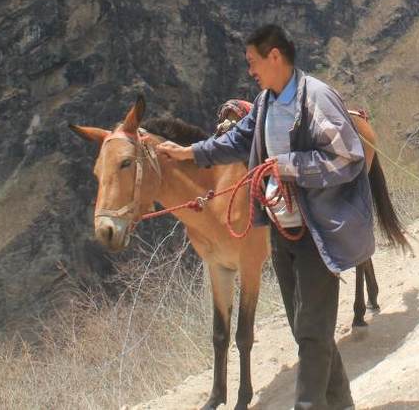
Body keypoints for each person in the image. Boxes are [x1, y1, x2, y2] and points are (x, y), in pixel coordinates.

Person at [153, 24, 373, 410]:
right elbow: (236, 141)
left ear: (275, 56)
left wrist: (286, 166)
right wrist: (188, 154)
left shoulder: (317, 99)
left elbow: (347, 157)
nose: (250, 70)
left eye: (253, 62)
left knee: (310, 332)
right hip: (281, 228)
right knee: (305, 328)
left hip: (317, 229)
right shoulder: (266, 102)